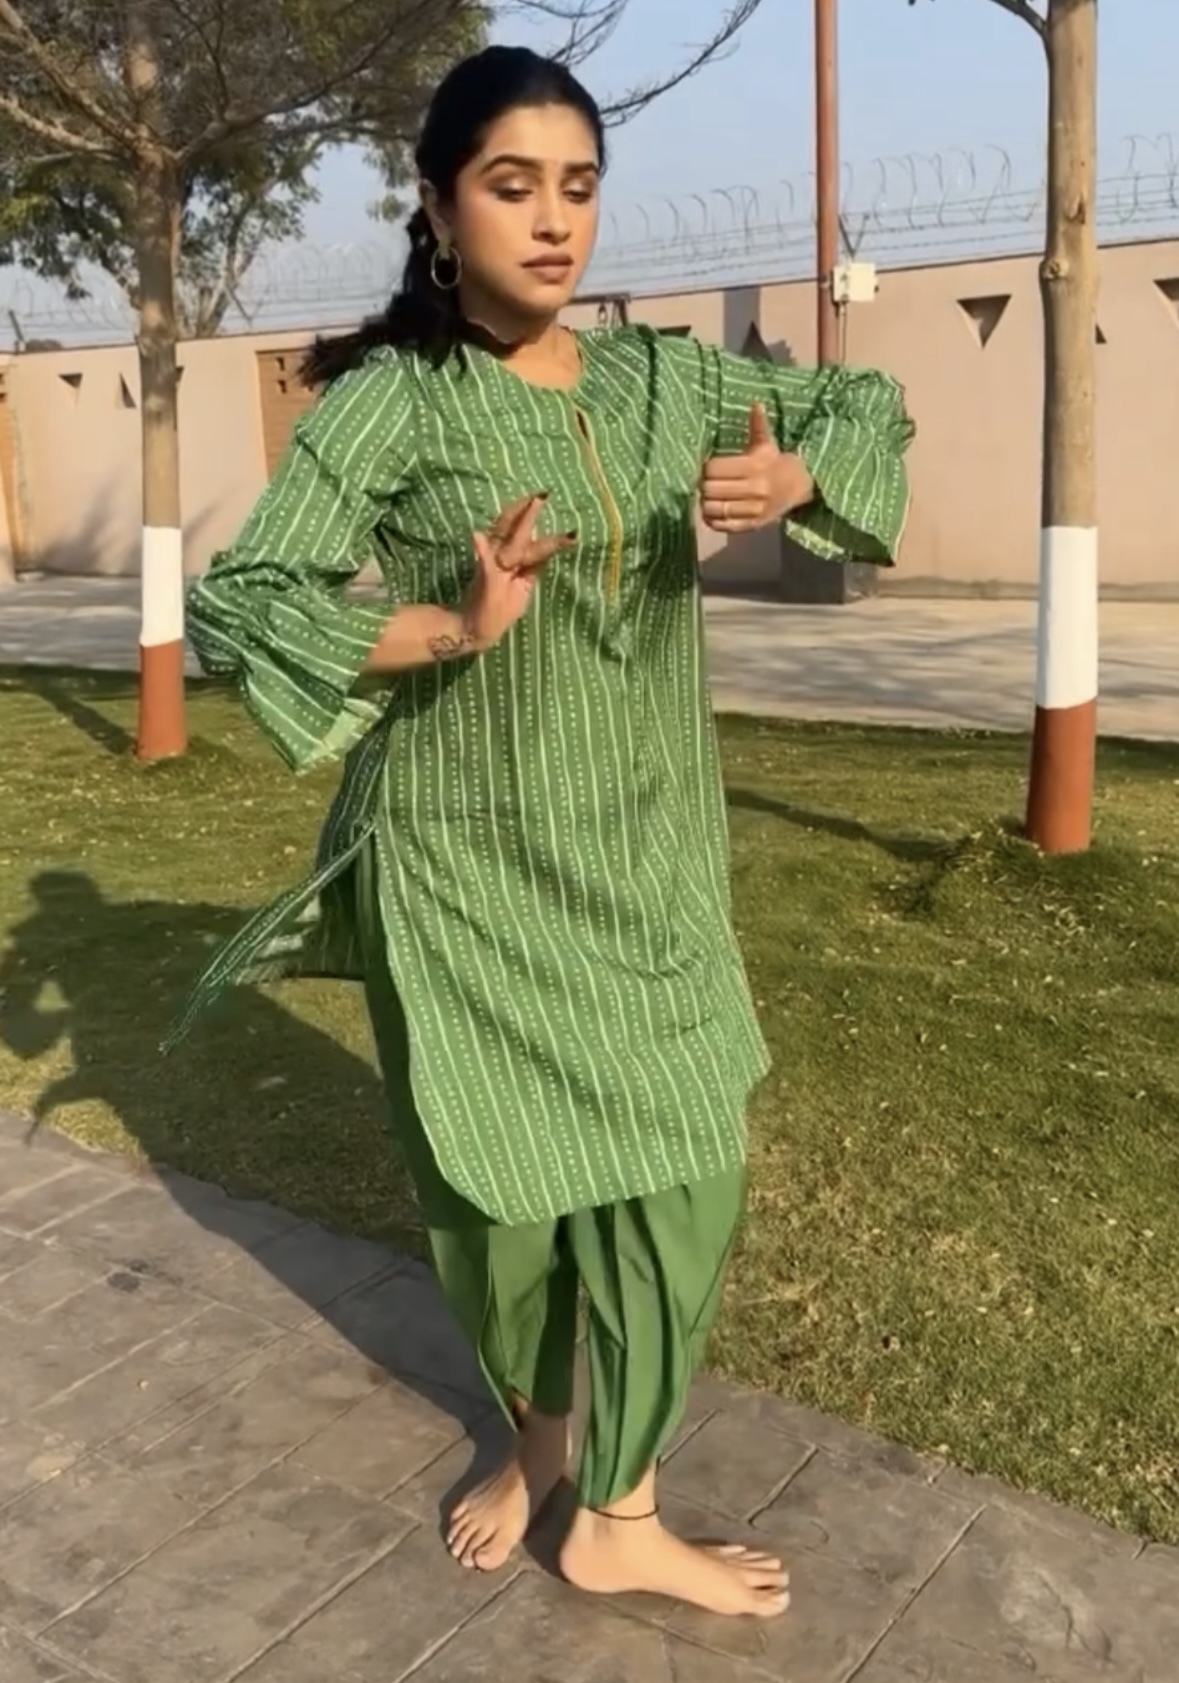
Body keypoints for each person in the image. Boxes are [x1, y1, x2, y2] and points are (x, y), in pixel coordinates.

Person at [168, 43, 913, 1619]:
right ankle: (548, 1441)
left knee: (686, 1173)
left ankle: (613, 1512)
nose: (555, 219)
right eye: (513, 187)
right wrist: (453, 622)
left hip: (647, 864)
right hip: (466, 872)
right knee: (505, 1206)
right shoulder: (392, 403)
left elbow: (865, 401)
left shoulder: (658, 384)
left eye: (578, 186)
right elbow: (243, 602)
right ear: (441, 209)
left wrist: (791, 470)